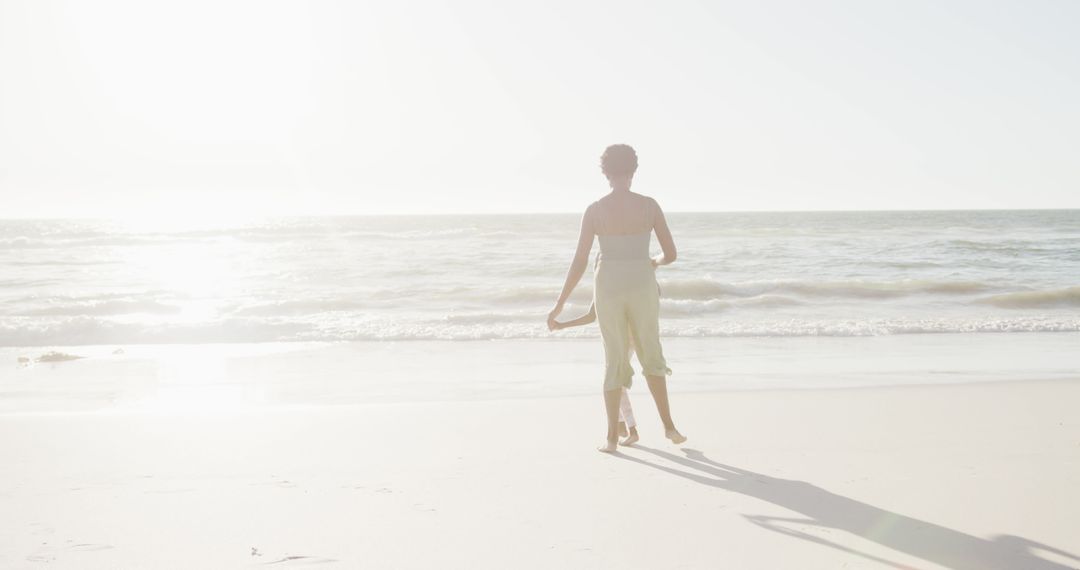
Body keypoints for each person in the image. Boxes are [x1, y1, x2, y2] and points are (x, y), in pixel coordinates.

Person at [548, 144, 686, 453]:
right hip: (642, 282)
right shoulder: (649, 206)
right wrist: (653, 261)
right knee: (651, 353)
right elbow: (671, 254)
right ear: (634, 171)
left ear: (606, 173)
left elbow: (580, 260)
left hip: (608, 285)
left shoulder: (595, 210)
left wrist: (559, 304)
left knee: (614, 359)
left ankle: (612, 438)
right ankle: (669, 426)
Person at [549, 301, 640, 446]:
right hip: (630, 338)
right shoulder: (625, 281)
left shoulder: (603, 283)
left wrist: (561, 325)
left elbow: (590, 316)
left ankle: (631, 429)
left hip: (618, 341)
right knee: (615, 384)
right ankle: (623, 426)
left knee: (613, 385)